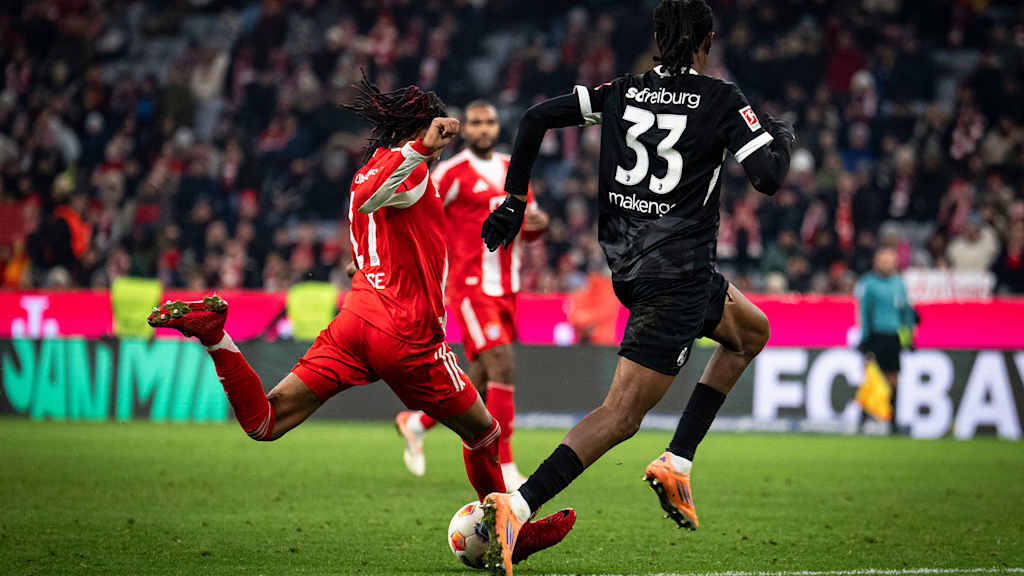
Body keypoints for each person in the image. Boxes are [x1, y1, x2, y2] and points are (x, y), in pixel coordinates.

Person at [147, 76, 572, 564]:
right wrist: (420, 146)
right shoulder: (406, 170)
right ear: (421, 130)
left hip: (357, 321)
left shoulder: (380, 168)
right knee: (484, 433)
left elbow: (373, 220)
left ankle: (215, 337)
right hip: (407, 335)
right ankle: (512, 535)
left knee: (265, 421)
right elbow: (373, 193)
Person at [475, 1, 795, 573]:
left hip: (634, 267)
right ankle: (517, 505)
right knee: (620, 416)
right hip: (677, 278)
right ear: (708, 40)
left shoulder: (621, 91)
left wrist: (514, 199)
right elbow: (768, 178)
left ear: (655, 39)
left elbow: (533, 119)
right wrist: (778, 138)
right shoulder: (723, 99)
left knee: (750, 332)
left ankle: (677, 461)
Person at [395, 101, 549, 488]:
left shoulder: (512, 170)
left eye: (490, 122)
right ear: (466, 129)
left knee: (479, 377)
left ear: (498, 127)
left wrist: (539, 224)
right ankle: (506, 464)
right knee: (504, 365)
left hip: (507, 288)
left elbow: (525, 226)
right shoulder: (451, 173)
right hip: (469, 287)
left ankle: (417, 423)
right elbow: (419, 212)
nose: (484, 128)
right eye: (477, 122)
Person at [855, 246, 918, 432]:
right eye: (883, 260)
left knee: (893, 380)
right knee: (871, 378)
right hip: (876, 335)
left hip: (893, 337)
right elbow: (864, 312)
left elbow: (906, 311)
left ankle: (892, 420)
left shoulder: (899, 283)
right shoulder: (869, 283)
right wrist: (865, 337)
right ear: (876, 262)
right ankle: (864, 420)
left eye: (889, 261)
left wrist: (909, 338)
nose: (886, 264)